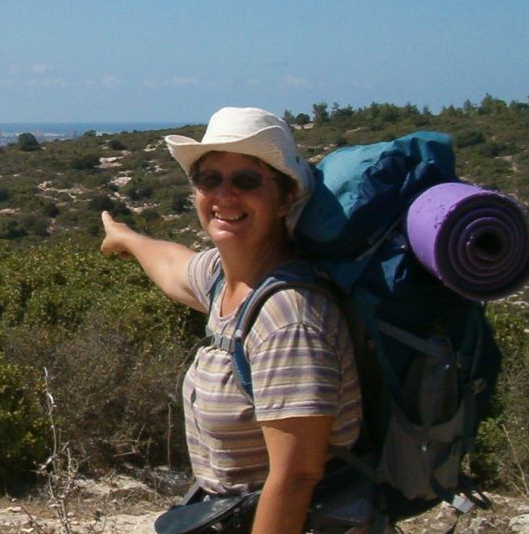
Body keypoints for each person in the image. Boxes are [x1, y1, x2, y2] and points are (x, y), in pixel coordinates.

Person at [100, 107, 362, 533]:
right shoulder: (228, 279)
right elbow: (173, 267)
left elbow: (296, 478)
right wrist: (128, 238)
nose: (224, 195)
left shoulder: (287, 320)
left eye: (246, 180)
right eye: (209, 179)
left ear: (285, 198)